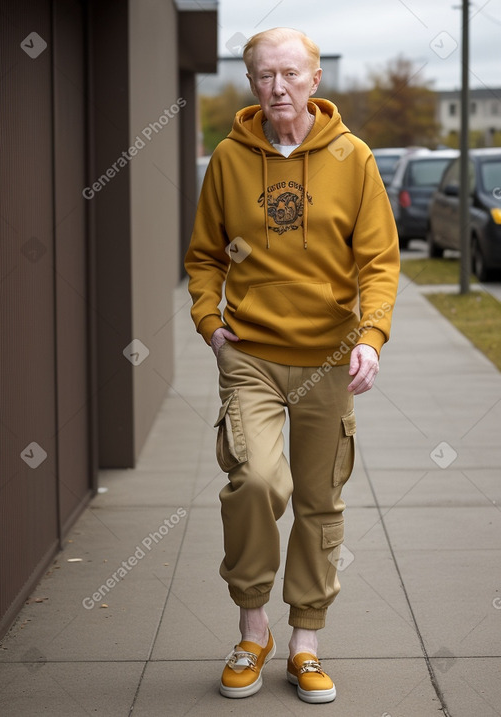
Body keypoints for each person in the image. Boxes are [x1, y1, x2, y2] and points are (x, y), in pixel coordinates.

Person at [185, 27, 399, 704]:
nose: (277, 87)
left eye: (289, 74)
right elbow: (205, 256)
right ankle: (254, 629)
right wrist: (213, 327)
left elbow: (379, 261)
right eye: (263, 76)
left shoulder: (353, 157)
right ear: (251, 84)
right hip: (248, 354)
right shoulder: (228, 158)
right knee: (253, 481)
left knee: (318, 501)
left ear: (314, 80)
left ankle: (305, 638)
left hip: (330, 359)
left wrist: (371, 336)